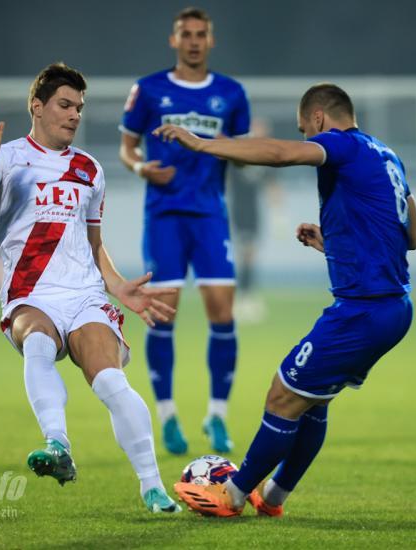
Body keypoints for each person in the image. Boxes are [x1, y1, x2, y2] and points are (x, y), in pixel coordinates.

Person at [157, 83, 416, 517]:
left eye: (305, 130)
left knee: (282, 395)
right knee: (312, 401)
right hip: (391, 307)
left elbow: (280, 155)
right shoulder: (387, 155)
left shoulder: (341, 144)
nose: (305, 139)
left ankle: (234, 494)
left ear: (319, 118)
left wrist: (201, 144)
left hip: (364, 309)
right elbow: (409, 235)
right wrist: (335, 243)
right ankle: (273, 497)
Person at [0, 62, 181, 514]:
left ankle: (152, 487)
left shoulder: (89, 170)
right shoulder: (8, 156)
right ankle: (58, 445)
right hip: (30, 294)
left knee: (112, 381)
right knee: (36, 340)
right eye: (64, 105)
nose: (74, 114)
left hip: (84, 295)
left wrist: (118, 288)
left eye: (79, 106)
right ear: (37, 107)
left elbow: (94, 243)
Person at [119, 6, 251, 455]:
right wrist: (140, 168)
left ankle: (217, 416)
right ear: (173, 40)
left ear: (210, 41)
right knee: (163, 315)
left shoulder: (232, 93)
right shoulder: (149, 89)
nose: (194, 41)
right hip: (164, 217)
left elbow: (241, 149)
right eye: (186, 34)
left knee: (223, 314)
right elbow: (126, 146)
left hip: (211, 216)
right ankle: (169, 416)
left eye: (201, 34)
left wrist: (230, 151)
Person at [228, 118, 276, 324]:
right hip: (239, 210)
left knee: (250, 255)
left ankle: (246, 296)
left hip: (255, 212)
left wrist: (279, 215)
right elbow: (225, 182)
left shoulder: (264, 159)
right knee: (245, 254)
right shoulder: (238, 156)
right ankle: (242, 298)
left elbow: (272, 185)